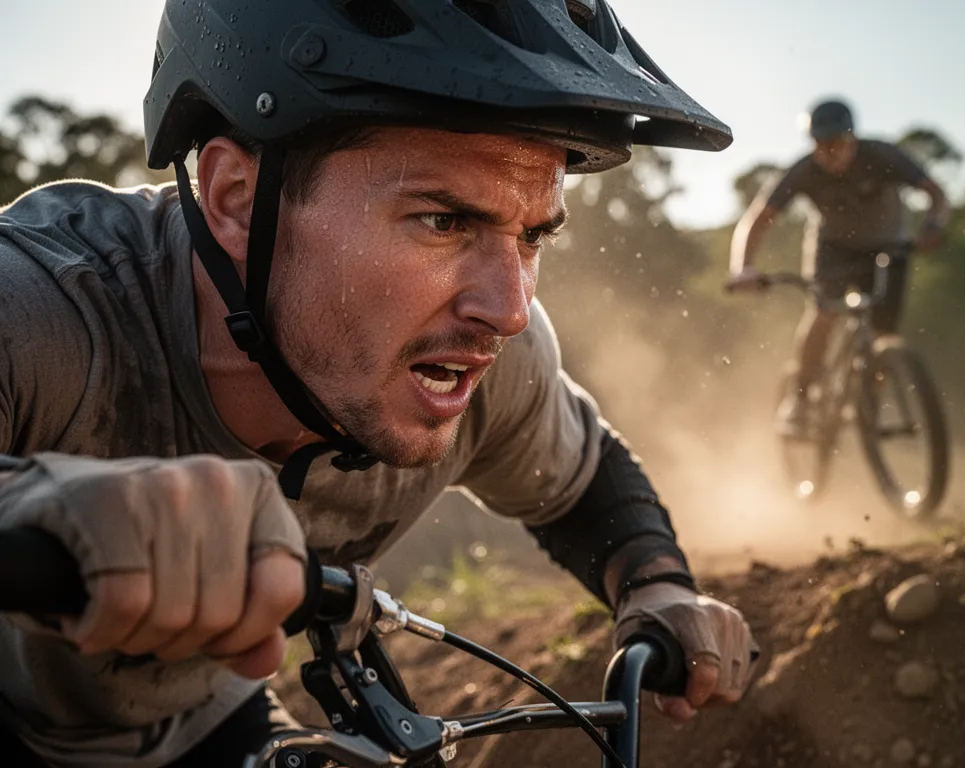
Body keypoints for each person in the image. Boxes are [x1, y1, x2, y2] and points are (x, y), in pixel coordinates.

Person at [0, 0, 759, 766]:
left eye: (532, 236)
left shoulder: (473, 360)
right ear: (235, 198)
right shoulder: (42, 307)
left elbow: (584, 480)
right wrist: (40, 503)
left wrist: (657, 588)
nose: (507, 312)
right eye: (443, 222)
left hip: (199, 721)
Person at [728, 98, 949, 435]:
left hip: (889, 249)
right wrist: (743, 267)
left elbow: (936, 194)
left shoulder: (883, 156)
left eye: (838, 143)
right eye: (821, 144)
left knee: (884, 336)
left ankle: (868, 405)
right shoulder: (803, 171)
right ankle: (799, 399)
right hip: (834, 251)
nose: (830, 152)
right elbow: (759, 219)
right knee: (823, 313)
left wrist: (934, 224)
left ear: (853, 139)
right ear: (813, 143)